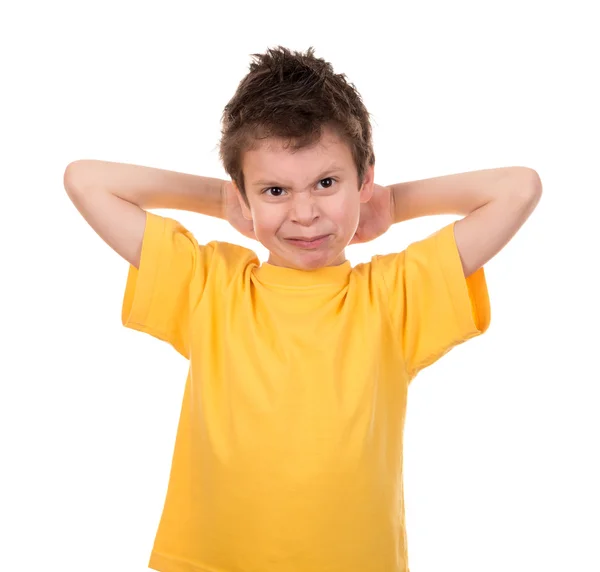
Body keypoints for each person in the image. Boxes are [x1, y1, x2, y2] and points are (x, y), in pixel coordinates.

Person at [64, 45, 542, 572]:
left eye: (327, 183)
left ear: (363, 180)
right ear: (245, 199)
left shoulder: (393, 295)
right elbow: (86, 180)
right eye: (275, 190)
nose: (305, 213)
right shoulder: (210, 286)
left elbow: (518, 189)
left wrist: (392, 203)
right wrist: (222, 200)